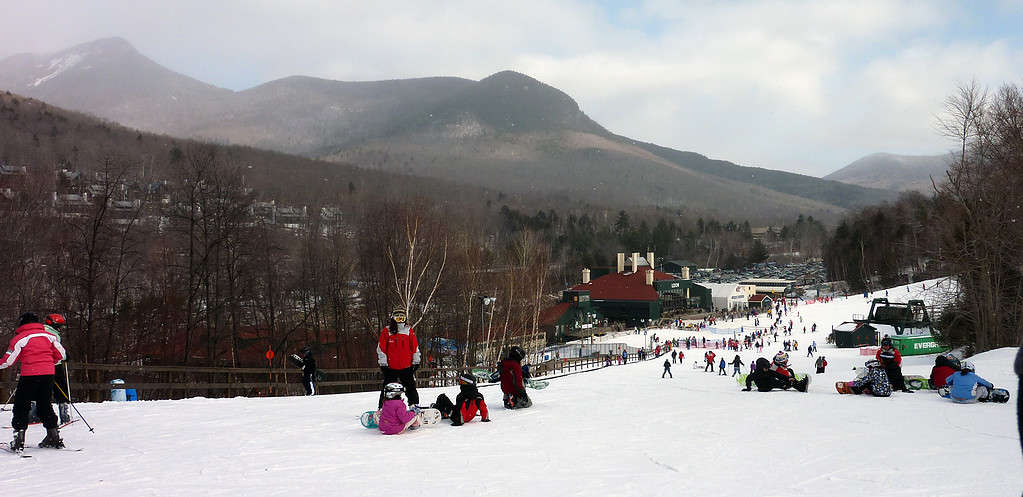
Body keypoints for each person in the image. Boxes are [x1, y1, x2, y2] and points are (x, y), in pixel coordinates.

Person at [1, 313, 67, 451]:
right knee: (45, 404)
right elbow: (61, 354)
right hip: (48, 374)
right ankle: (53, 435)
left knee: (21, 405)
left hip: (30, 374)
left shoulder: (20, 338)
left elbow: (8, 361)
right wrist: (49, 362)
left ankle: (19, 438)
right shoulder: (50, 336)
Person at [376, 307, 421, 407]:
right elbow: (381, 348)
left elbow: (414, 347)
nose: (400, 321)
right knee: (387, 388)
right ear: (393, 318)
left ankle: (414, 406)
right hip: (391, 367)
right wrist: (383, 363)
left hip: (406, 366)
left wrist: (416, 361)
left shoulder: (408, 330)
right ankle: (383, 408)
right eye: (397, 318)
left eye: (402, 318)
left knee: (411, 388)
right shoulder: (386, 331)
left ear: (405, 319)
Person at [42, 313, 71, 423]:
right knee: (60, 387)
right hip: (54, 365)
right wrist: (65, 356)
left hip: (40, 366)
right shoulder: (53, 335)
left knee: (41, 388)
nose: (60, 328)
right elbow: (57, 350)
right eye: (59, 325)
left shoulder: (40, 331)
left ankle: (34, 412)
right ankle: (64, 412)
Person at [742, 357, 807, 392]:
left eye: (768, 368)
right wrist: (748, 388)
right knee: (781, 383)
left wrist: (787, 378)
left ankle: (799, 384)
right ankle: (801, 387)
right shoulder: (756, 374)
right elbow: (748, 379)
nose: (767, 369)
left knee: (783, 381)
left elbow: (777, 375)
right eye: (766, 368)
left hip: (771, 383)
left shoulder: (768, 371)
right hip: (764, 388)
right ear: (761, 367)